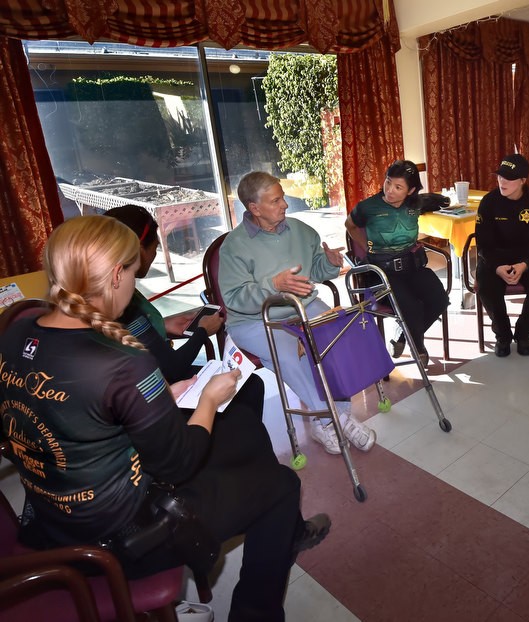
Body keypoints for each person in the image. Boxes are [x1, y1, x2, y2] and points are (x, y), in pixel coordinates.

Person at [0, 216, 330, 622]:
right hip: (122, 539)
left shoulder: (16, 334)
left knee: (243, 433)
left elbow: (72, 415)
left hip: (49, 521)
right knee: (281, 486)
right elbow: (178, 463)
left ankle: (270, 523)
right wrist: (208, 399)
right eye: (135, 274)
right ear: (117, 274)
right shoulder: (122, 363)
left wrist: (156, 402)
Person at [219, 171, 375, 454]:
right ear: (254, 208)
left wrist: (328, 264)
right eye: (276, 200)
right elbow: (234, 298)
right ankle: (334, 419)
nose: (285, 205)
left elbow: (316, 271)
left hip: (302, 304)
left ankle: (331, 417)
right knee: (291, 353)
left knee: (336, 336)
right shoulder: (234, 246)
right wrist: (273, 286)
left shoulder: (301, 231)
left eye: (282, 197)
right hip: (255, 320)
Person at [345, 159, 449, 366]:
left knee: (439, 300)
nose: (390, 190)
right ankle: (417, 346)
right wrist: (367, 247)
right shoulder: (368, 207)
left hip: (412, 267)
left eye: (398, 187)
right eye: (388, 182)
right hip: (383, 273)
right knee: (410, 306)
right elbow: (350, 225)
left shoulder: (415, 204)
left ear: (410, 191)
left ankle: (403, 337)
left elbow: (438, 200)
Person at [105, 204, 225, 383]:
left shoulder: (103, 293)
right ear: (137, 251)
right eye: (155, 246)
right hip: (152, 384)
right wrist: (202, 331)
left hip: (138, 380)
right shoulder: (123, 301)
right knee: (250, 386)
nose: (155, 253)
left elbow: (139, 337)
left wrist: (162, 325)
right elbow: (171, 369)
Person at [474, 154, 529, 357]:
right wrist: (497, 267)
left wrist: (524, 264)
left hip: (525, 256)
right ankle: (503, 335)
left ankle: (524, 333)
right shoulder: (489, 202)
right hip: (493, 256)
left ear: (523, 181)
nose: (502, 181)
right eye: (500, 176)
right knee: (487, 289)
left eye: (509, 178)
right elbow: (483, 243)